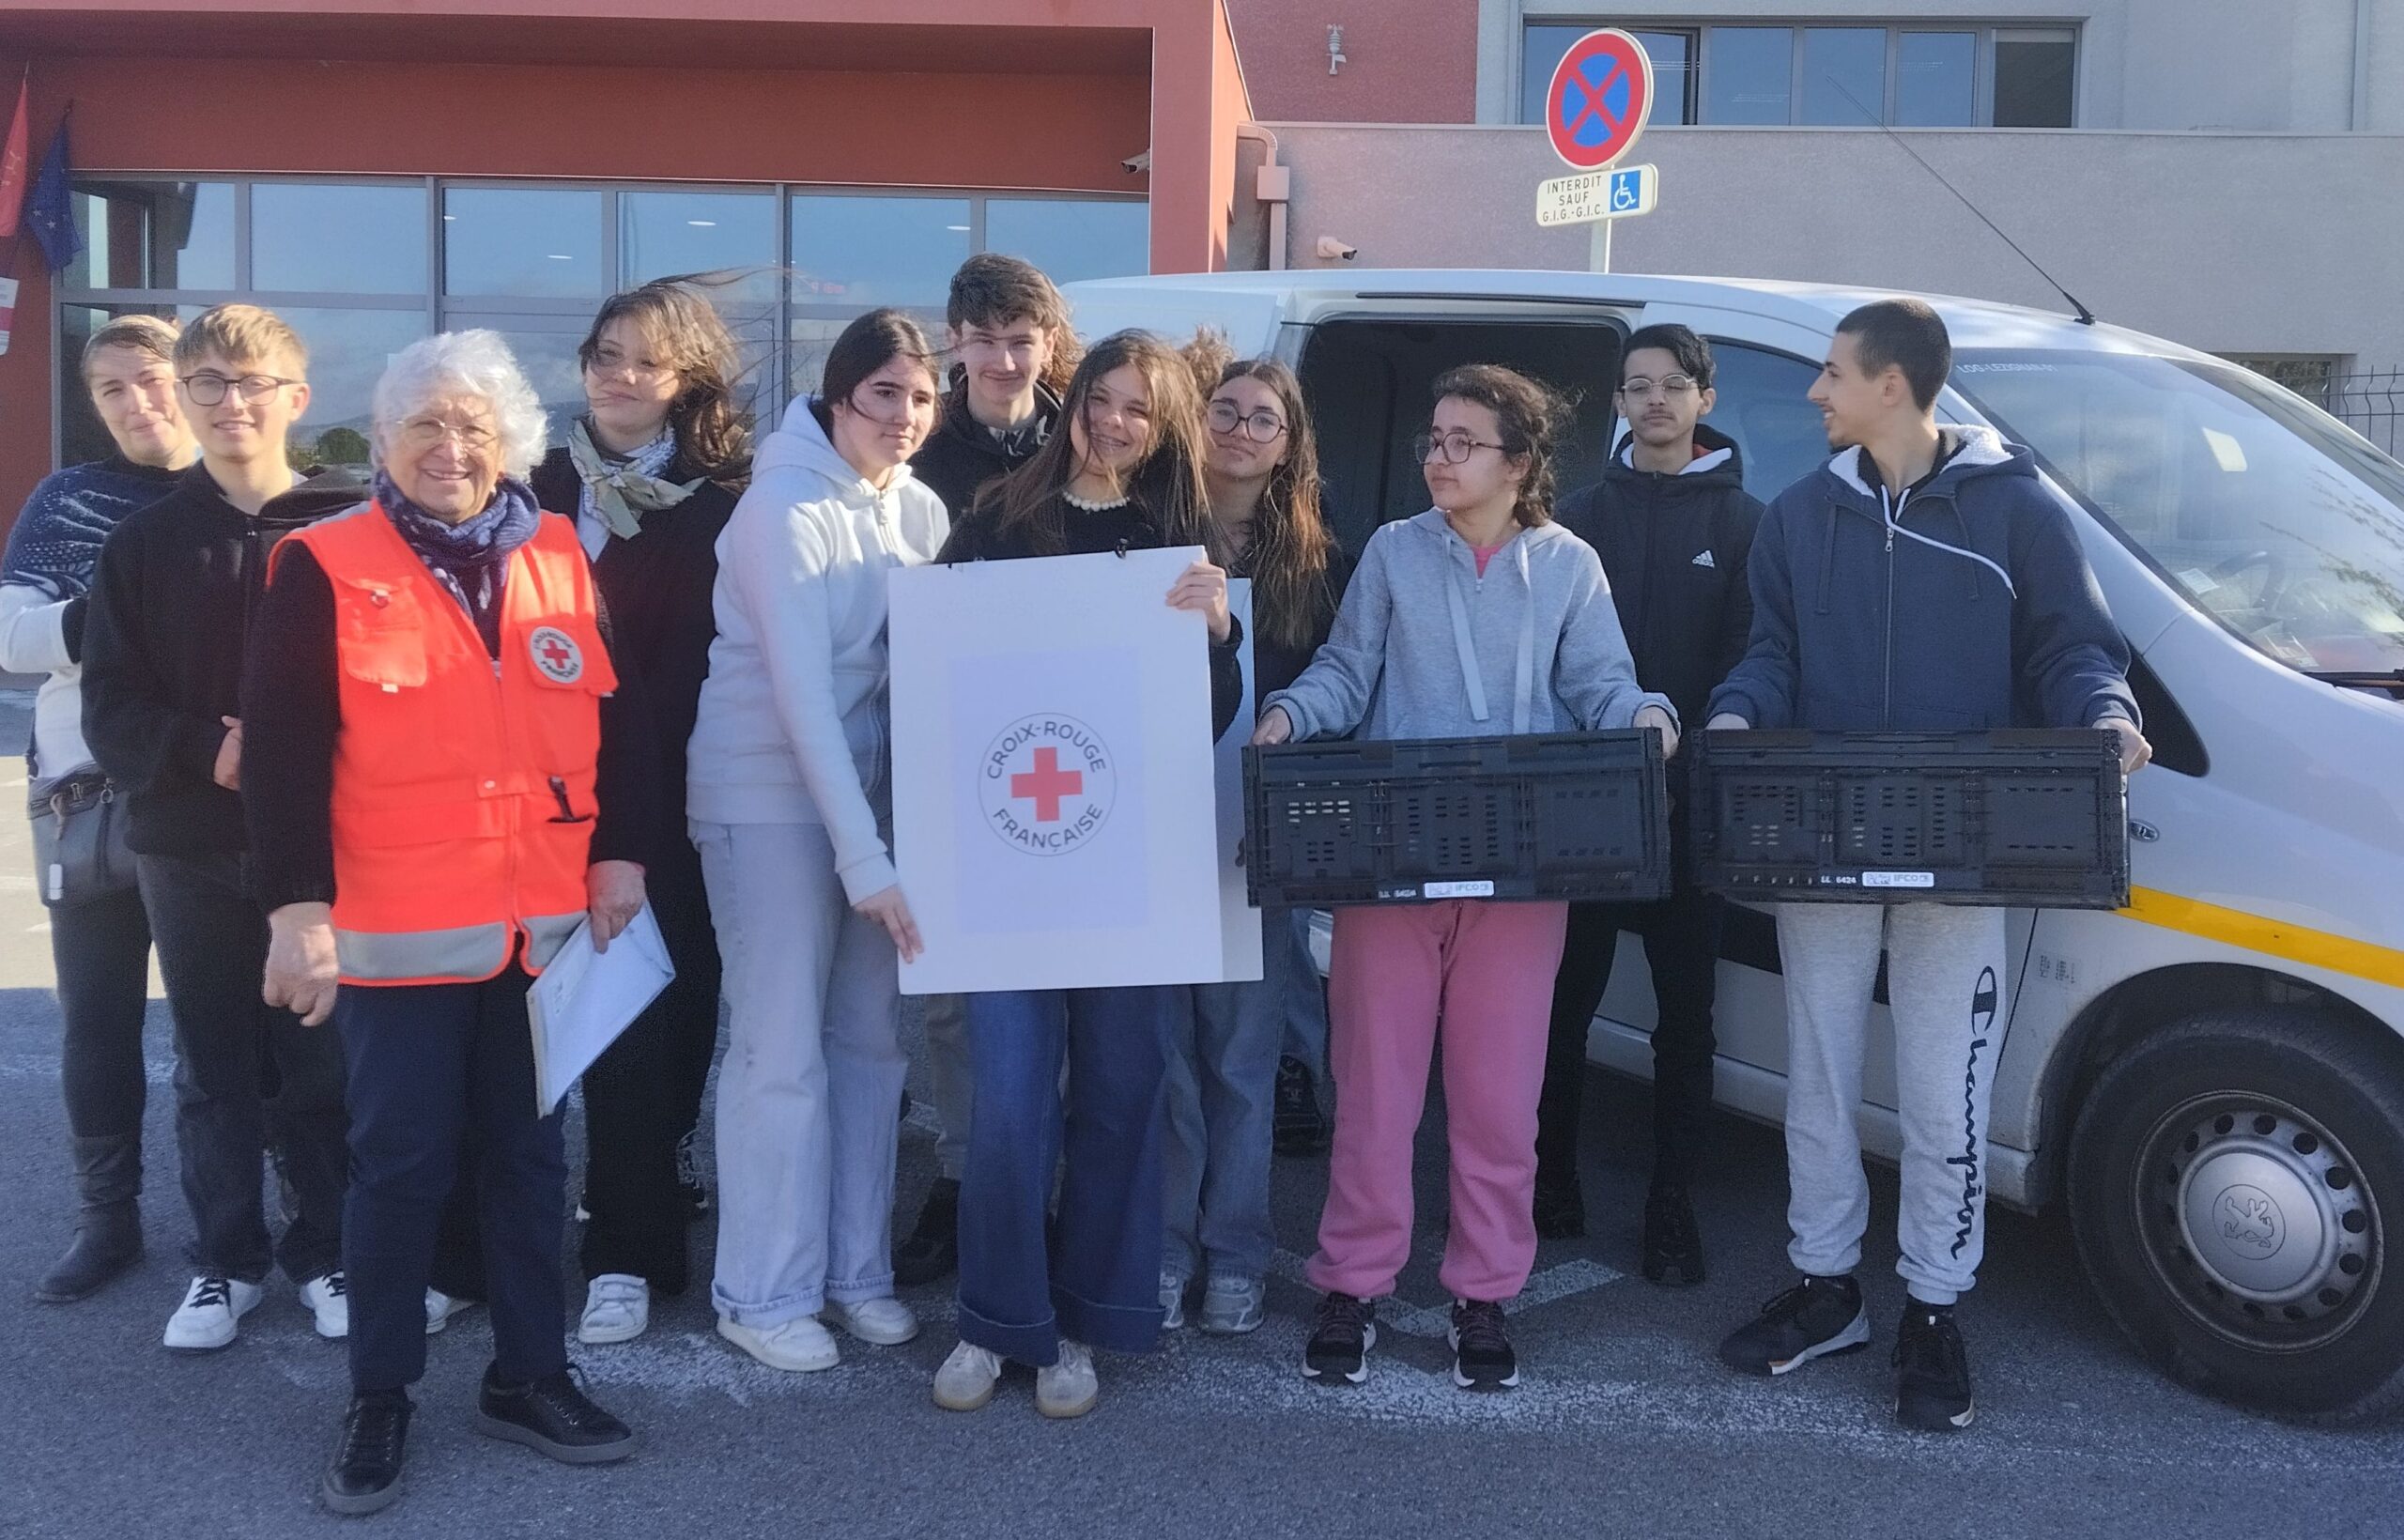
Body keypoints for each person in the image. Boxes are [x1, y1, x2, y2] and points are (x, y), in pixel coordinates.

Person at [1706, 299, 2150, 1432]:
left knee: (1943, 1097)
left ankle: (1935, 1306)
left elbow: (2074, 648)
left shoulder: (2017, 509)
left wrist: (2105, 715)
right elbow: (1770, 651)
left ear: (1892, 385)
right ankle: (1825, 1285)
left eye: (1832, 374)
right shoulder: (1801, 516)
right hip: (1822, 837)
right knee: (1817, 1072)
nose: (1815, 392)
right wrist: (1734, 716)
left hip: (1966, 845)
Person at [244, 330, 652, 1513]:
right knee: (401, 1169)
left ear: (510, 444)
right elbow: (276, 758)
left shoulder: (564, 551)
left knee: (530, 1163)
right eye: (426, 423)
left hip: (538, 935)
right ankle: (381, 1392)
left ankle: (530, 1374)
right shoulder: (323, 562)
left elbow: (613, 725)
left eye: (475, 425)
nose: (451, 446)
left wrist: (619, 851)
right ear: (383, 440)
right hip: (398, 934)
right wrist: (296, 913)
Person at [1255, 364, 1677, 1393]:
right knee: (1375, 1093)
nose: (1439, 458)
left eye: (1462, 441)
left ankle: (1484, 1293)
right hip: (1392, 860)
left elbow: (1598, 684)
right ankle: (1352, 1281)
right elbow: (1348, 671)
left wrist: (1644, 715)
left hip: (1520, 872)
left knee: (1496, 1099)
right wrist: (1291, 714)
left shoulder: (1568, 564)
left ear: (1518, 462)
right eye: (1433, 440)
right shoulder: (1395, 553)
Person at [931, 330, 1242, 1418]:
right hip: (1008, 865)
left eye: (1138, 411)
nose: (1112, 423)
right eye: (1098, 401)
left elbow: (1199, 722)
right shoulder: (994, 520)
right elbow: (938, 683)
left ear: (1163, 430)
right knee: (1011, 1098)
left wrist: (1215, 634)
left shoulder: (1177, 540)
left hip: (1128, 865)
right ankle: (995, 1319)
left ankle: (1089, 1320)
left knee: (1119, 1094)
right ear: (1072, 406)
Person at [81, 303, 358, 1350]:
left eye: (252, 384)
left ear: (297, 396)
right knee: (212, 1061)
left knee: (322, 1059)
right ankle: (226, 1263)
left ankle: (327, 1250)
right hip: (189, 839)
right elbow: (109, 703)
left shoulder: (346, 530)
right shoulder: (144, 542)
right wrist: (211, 747)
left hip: (328, 843)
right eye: (208, 384)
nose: (231, 403)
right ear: (184, 396)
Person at [686, 308, 945, 1373]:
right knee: (777, 1051)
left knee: (871, 1048)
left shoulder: (923, 511)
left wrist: (892, 842)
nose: (905, 416)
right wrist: (867, 859)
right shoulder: (777, 509)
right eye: (884, 393)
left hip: (866, 811)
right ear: (838, 396)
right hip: (766, 802)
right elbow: (802, 704)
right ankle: (762, 1289)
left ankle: (855, 1272)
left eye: (922, 397)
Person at [530, 278, 750, 1343]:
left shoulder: (724, 505)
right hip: (524, 801)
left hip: (663, 796)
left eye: (645, 361)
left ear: (686, 380)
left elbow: (707, 663)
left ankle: (629, 1243)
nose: (620, 377)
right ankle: (491, 1242)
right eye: (604, 354)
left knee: (652, 1023)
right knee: (511, 1031)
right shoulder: (523, 489)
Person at [1536, 324, 1764, 1278]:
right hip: (1586, 804)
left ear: (1705, 398)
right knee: (1564, 1001)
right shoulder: (1576, 515)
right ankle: (1550, 1173)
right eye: (1638, 387)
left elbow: (1755, 659)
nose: (1656, 401)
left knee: (1686, 1015)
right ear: (1620, 405)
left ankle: (1671, 1202)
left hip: (1691, 808)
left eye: (1674, 384)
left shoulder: (1748, 524)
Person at [893, 253, 1079, 1290]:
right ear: (954, 340)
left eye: (1024, 338)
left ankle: (1046, 1186)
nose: (1006, 358)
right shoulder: (919, 448)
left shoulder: (1087, 433)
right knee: (957, 996)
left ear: (1047, 342)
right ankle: (966, 1177)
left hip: (1071, 748)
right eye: (986, 338)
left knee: (1068, 978)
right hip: (956, 748)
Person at [2, 315, 194, 1302]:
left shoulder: (245, 486)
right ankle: (106, 1219)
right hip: (89, 801)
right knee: (99, 1018)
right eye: (113, 388)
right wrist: (116, 612)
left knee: (242, 1023)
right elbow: (9, 635)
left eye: (153, 379)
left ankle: (261, 1215)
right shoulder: (67, 499)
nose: (138, 402)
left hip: (211, 794)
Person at [1159, 346, 1348, 1336]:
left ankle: (1232, 1249)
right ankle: (1160, 1245)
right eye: (1222, 409)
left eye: (1260, 416)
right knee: (1165, 1065)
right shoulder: (1147, 537)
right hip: (1148, 837)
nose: (1237, 427)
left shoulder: (1318, 566)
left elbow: (1338, 703)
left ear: (1288, 445)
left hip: (1254, 844)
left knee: (1239, 1059)